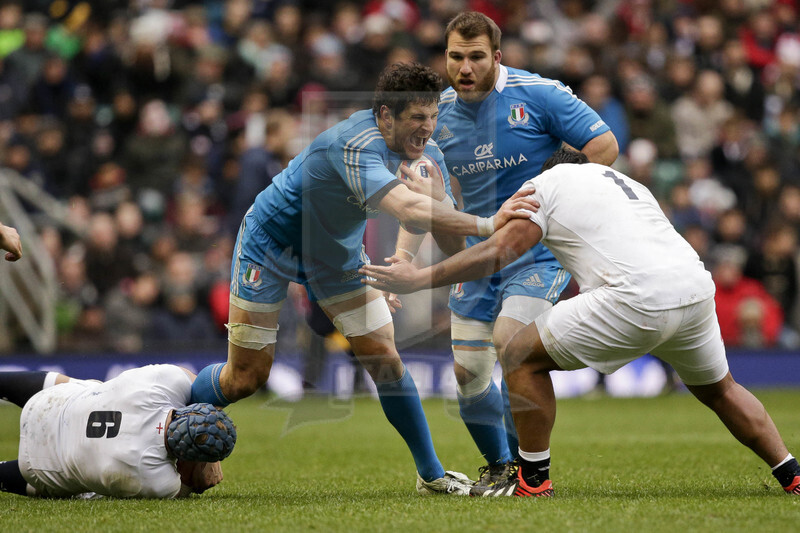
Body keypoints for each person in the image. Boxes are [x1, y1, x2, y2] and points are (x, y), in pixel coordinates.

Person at [363, 147, 800, 498]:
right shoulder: (629, 183)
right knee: (722, 390)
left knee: (517, 353)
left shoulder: (547, 182)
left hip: (634, 296)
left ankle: (533, 481)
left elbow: (500, 251)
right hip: (694, 289)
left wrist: (419, 278)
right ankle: (791, 474)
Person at [189, 62, 536, 496]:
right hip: (271, 244)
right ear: (386, 116)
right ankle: (177, 414)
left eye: (432, 116)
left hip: (337, 257)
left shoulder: (429, 155)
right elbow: (411, 209)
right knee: (246, 378)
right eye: (417, 118)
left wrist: (401, 260)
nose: (428, 128)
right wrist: (488, 224)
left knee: (384, 358)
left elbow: (435, 223)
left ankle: (430, 475)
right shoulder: (355, 144)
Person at [392, 11, 618, 487]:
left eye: (476, 57)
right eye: (456, 57)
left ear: (497, 57)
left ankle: (530, 468)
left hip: (538, 250)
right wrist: (407, 257)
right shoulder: (438, 117)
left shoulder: (539, 95)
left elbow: (604, 145)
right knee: (468, 373)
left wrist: (559, 180)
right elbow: (425, 193)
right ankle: (501, 469)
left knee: (512, 343)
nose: (465, 68)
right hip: (479, 253)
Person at [0, 364, 237, 499]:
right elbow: (190, 482)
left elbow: (196, 382)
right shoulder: (159, 480)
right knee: (86, 487)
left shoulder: (163, 383)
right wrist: (201, 476)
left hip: (49, 401)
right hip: (40, 466)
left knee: (93, 388)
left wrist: (209, 416)